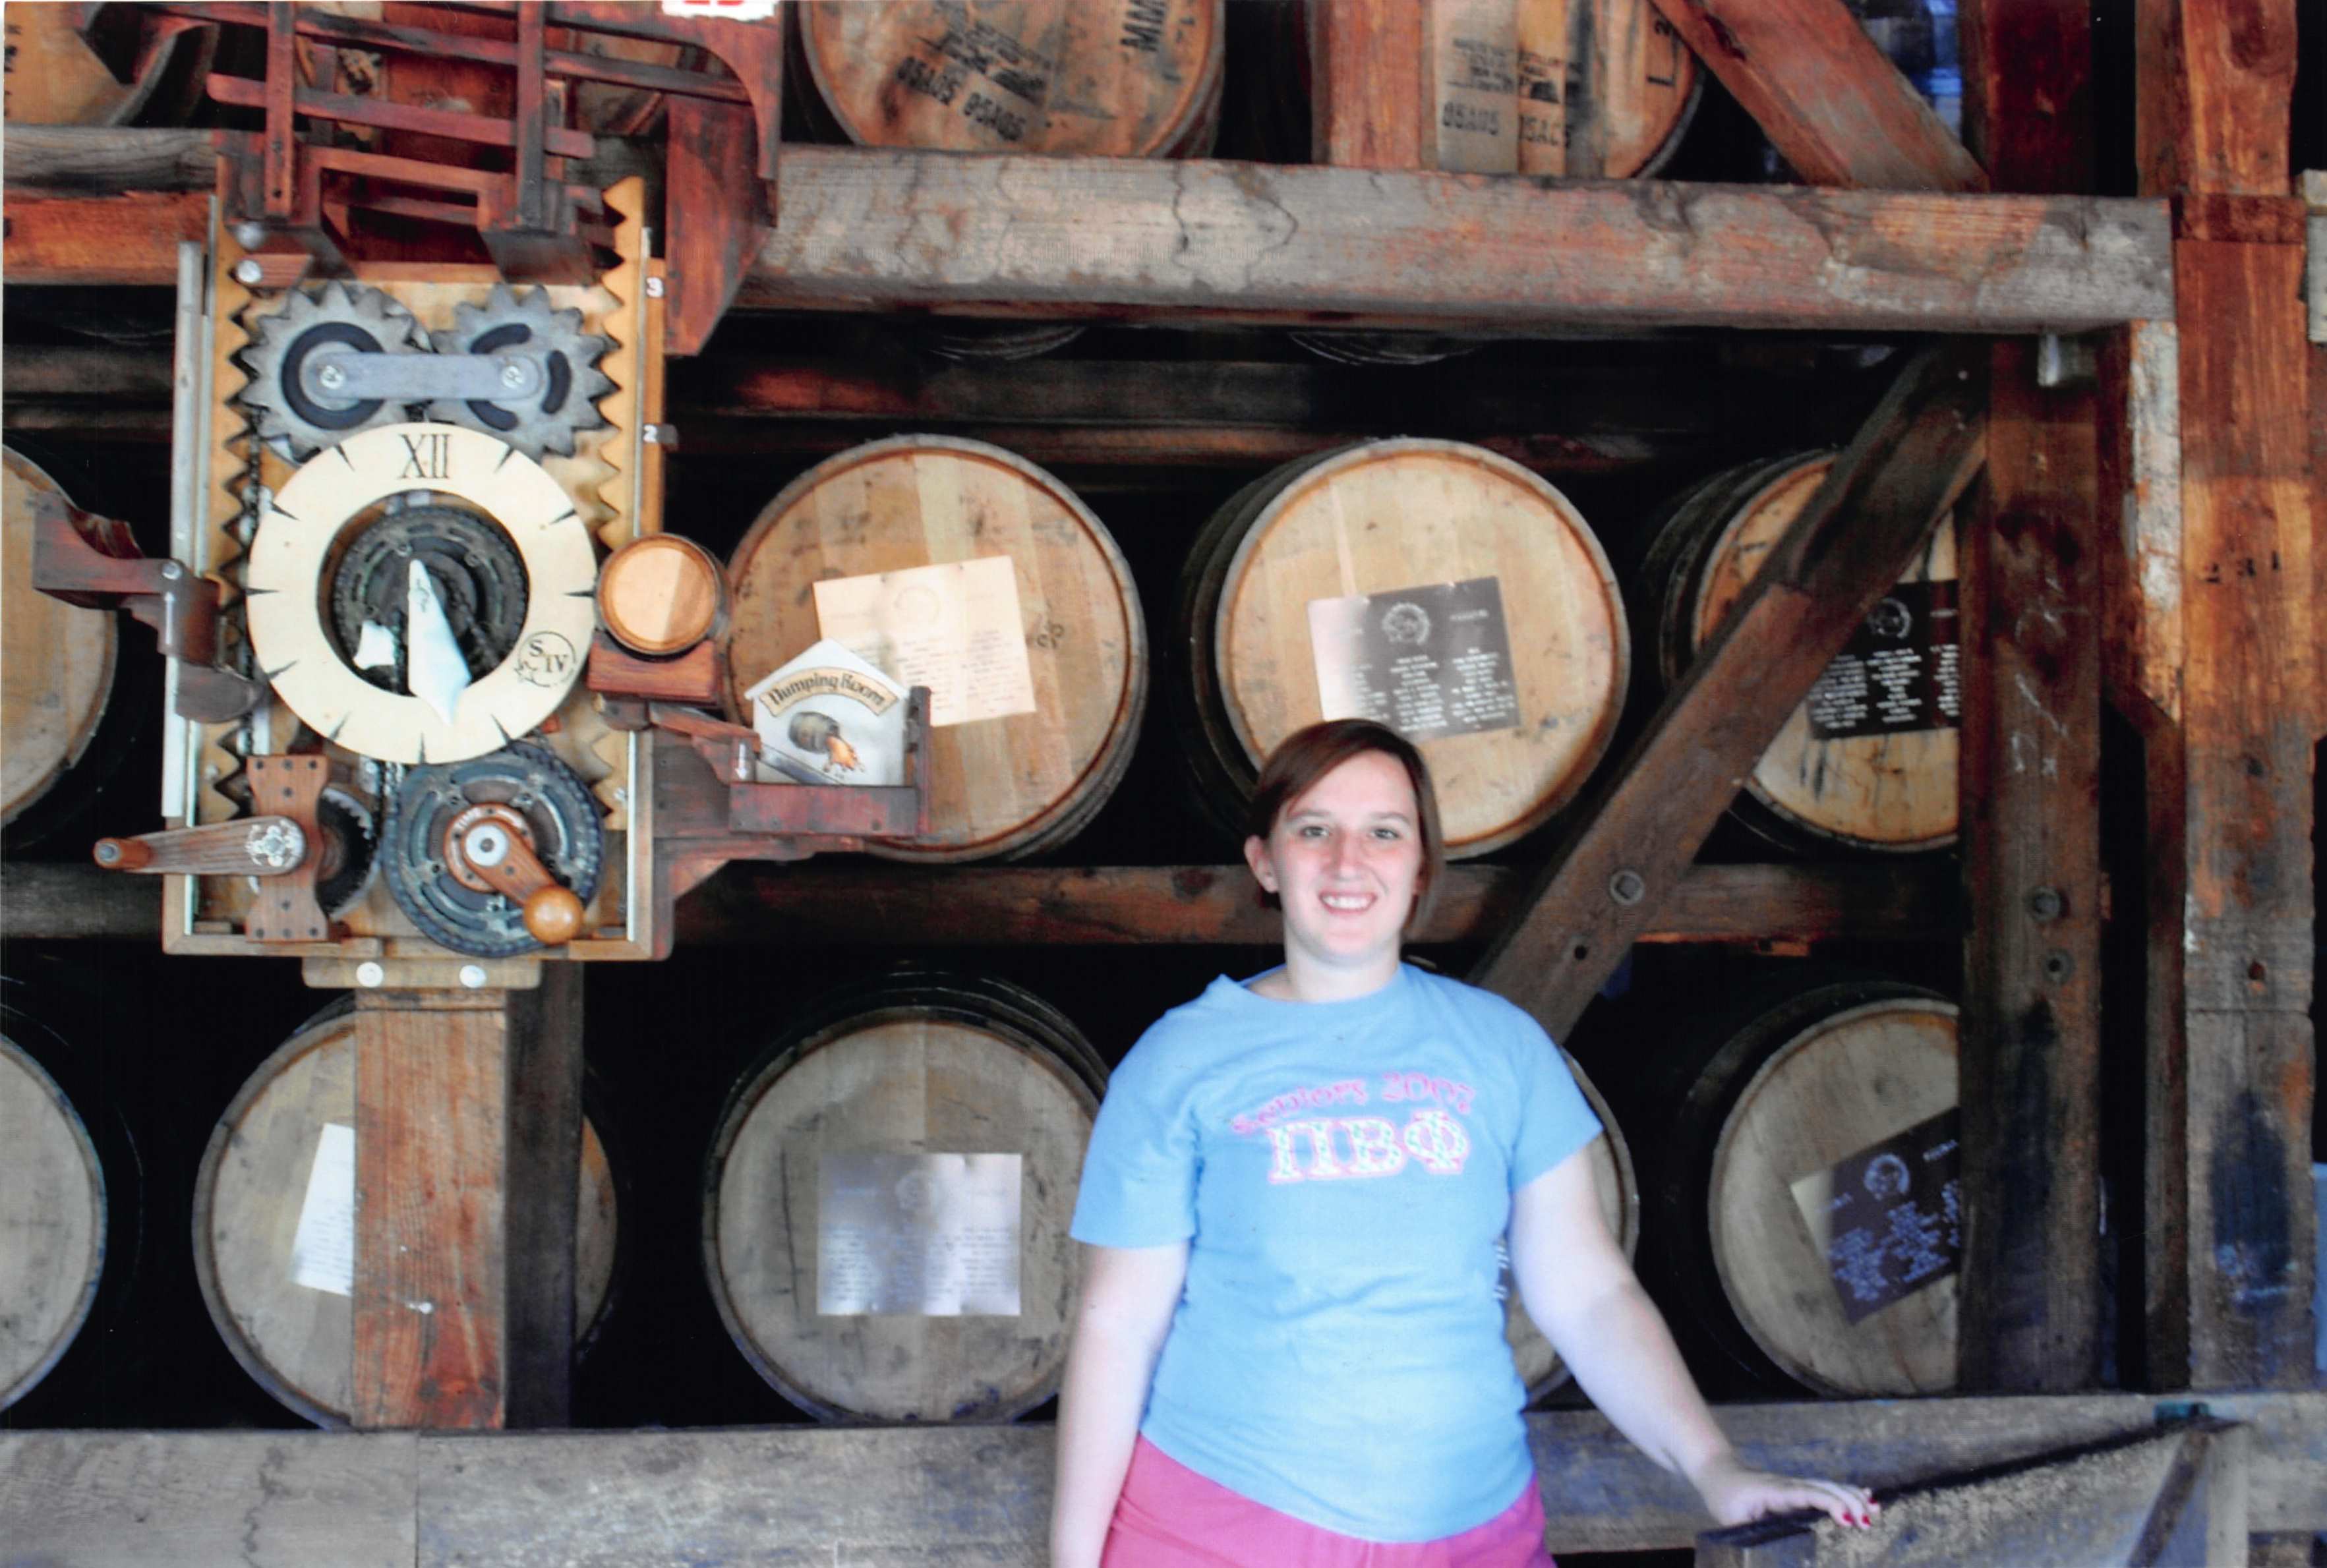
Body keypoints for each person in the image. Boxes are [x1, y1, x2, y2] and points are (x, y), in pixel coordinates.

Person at [1051, 719, 1879, 1567]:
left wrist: (1715, 1468)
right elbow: (1119, 1327)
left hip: (1472, 1536)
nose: (1347, 862)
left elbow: (1589, 1296)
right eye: (1313, 830)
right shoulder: (1179, 1060)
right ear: (1265, 862)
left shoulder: (1499, 1048)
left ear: (1419, 867)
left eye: (1383, 833)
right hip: (1226, 1528)